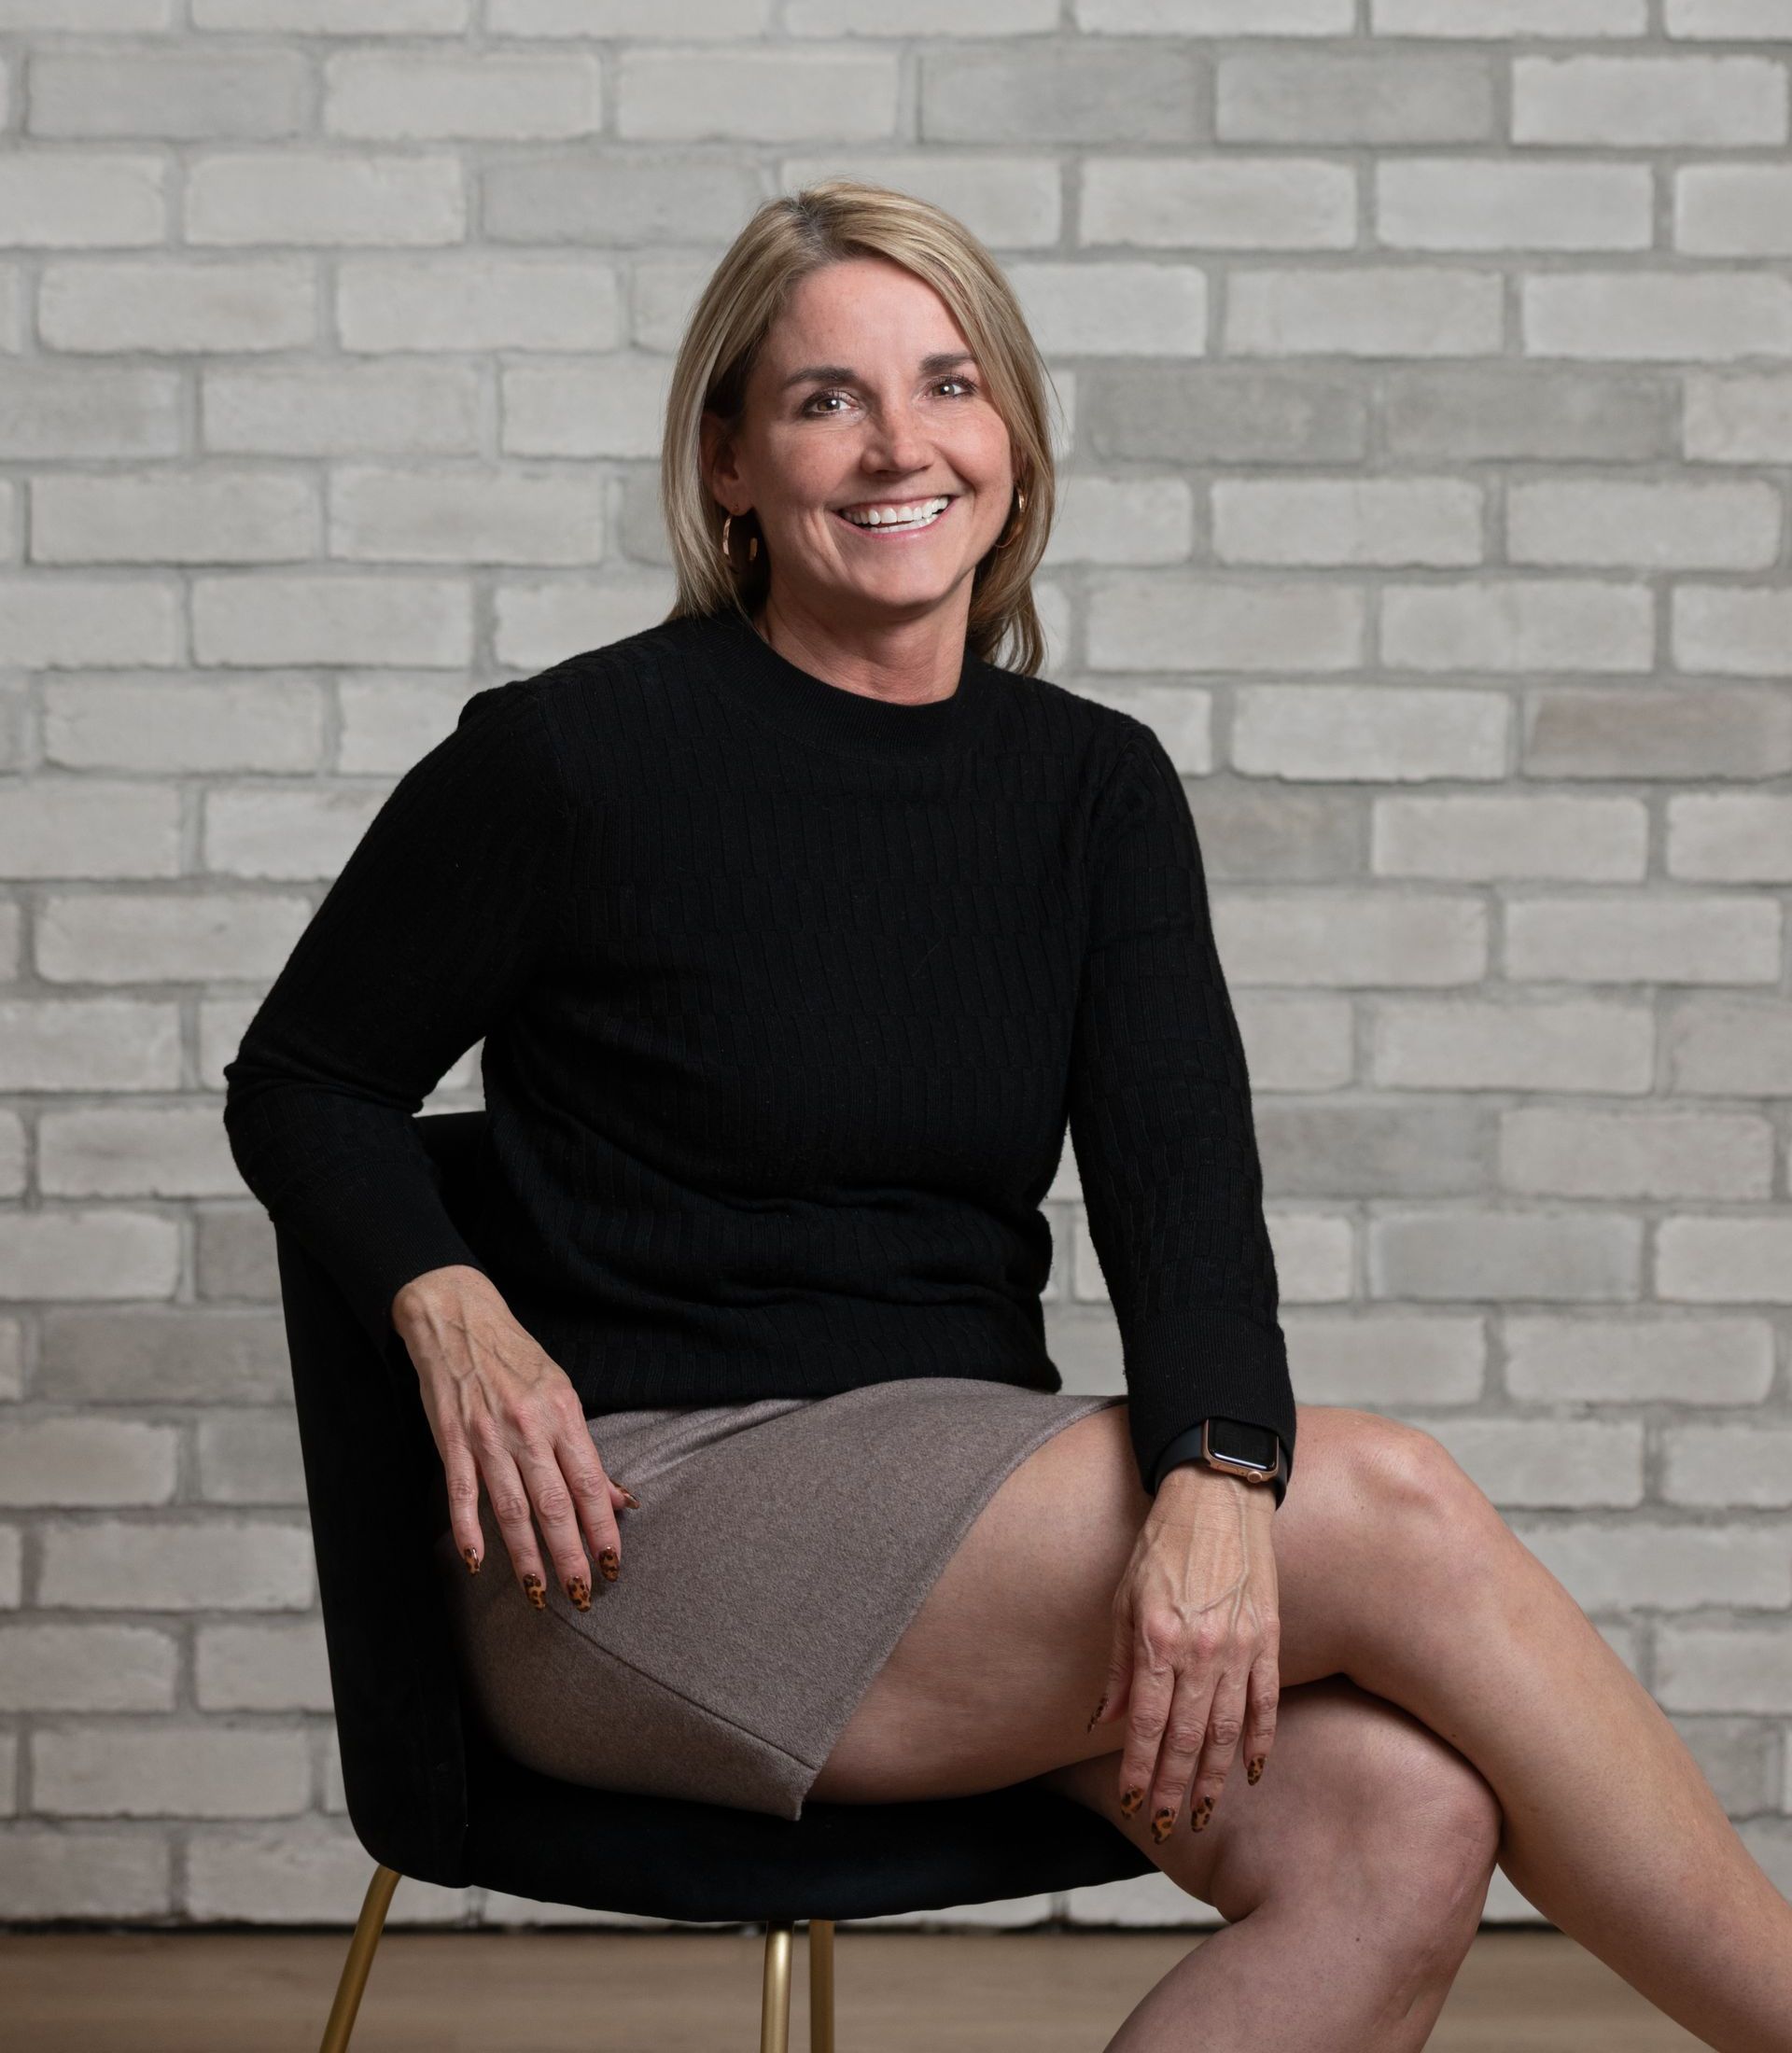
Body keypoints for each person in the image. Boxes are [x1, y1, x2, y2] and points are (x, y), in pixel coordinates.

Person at [222, 180, 1792, 2052]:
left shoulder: (1092, 791)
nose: (901, 444)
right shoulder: (568, 758)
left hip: (967, 1516)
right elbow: (303, 1076)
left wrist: (1216, 1481)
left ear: (1015, 440)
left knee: (1402, 1820)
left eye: (950, 384)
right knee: (1395, 1510)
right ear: (728, 461)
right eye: (827, 399)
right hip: (639, 1539)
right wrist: (449, 1301)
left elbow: (1184, 1201)